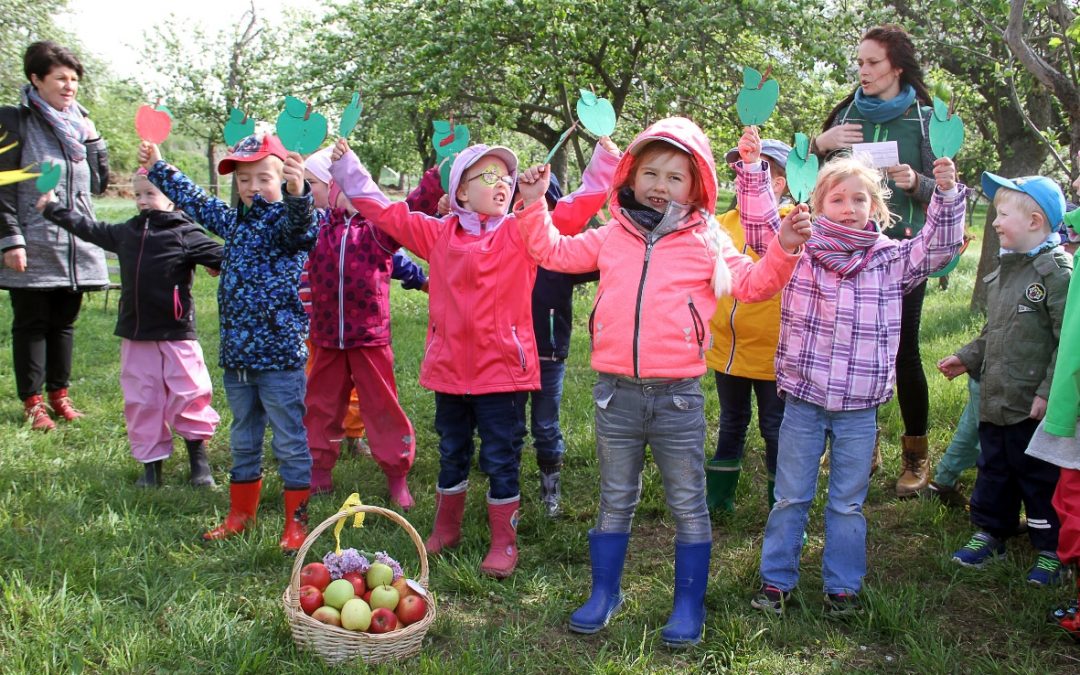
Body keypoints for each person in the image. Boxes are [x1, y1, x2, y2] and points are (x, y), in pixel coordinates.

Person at [517, 119, 809, 647]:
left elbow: (754, 283)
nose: (660, 184)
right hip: (615, 395)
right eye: (650, 172)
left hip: (677, 398)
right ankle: (605, 592)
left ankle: (687, 603)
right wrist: (534, 204)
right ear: (629, 176)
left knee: (687, 503)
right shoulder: (612, 234)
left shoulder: (708, 239)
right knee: (615, 498)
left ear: (698, 186)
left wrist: (784, 248)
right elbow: (553, 253)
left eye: (676, 176)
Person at [751, 152, 964, 617]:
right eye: (838, 198)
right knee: (791, 495)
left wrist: (945, 195)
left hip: (858, 408)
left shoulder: (890, 260)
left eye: (860, 198)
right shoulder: (798, 251)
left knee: (847, 503)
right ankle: (775, 581)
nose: (849, 206)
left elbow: (939, 249)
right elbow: (759, 227)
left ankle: (842, 586)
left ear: (876, 206)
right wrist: (752, 172)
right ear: (819, 203)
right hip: (804, 399)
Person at [330, 137, 550, 579]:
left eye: (506, 177)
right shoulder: (437, 234)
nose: (502, 183)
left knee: (502, 456)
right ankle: (446, 529)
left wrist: (596, 167)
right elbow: (386, 211)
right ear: (461, 193)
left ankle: (503, 541)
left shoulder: (520, 231)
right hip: (451, 374)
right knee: (452, 451)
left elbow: (575, 214)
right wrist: (349, 167)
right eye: (487, 176)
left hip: (503, 376)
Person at [138, 131, 318, 554]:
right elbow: (198, 202)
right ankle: (241, 515)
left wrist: (297, 191)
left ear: (280, 178)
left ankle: (298, 523)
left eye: (263, 178)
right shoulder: (234, 222)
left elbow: (301, 224)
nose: (253, 187)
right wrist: (160, 165)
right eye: (243, 180)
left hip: (280, 359)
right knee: (243, 437)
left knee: (289, 440)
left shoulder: (286, 224)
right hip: (238, 359)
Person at [35, 169, 222, 487]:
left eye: (151, 193)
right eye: (138, 194)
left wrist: (213, 263)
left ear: (172, 197)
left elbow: (224, 254)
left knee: (189, 394)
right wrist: (52, 207)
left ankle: (198, 463)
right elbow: (88, 228)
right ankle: (151, 466)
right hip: (136, 335)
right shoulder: (126, 232)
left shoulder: (185, 232)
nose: (143, 200)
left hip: (176, 334)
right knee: (142, 399)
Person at [813, 24, 939, 496]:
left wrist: (916, 183)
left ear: (897, 67)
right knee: (850, 348)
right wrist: (820, 143)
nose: (862, 71)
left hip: (902, 252)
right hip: (845, 252)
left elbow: (948, 192)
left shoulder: (926, 120)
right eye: (859, 63)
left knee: (903, 351)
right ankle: (863, 445)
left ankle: (916, 456)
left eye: (872, 63)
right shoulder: (845, 114)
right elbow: (807, 179)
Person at [940, 173, 1071, 586]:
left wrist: (1050, 392)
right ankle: (992, 531)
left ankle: (1049, 547)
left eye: (1001, 214)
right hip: (996, 397)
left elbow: (1068, 341)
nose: (994, 223)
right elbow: (993, 332)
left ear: (1035, 220)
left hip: (1031, 403)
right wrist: (967, 357)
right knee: (993, 467)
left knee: (1037, 476)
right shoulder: (1005, 270)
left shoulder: (1056, 273)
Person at [301, 148, 440, 508]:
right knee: (320, 406)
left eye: (355, 185)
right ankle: (319, 472)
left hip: (369, 338)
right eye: (340, 185)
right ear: (330, 191)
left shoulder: (379, 232)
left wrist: (437, 176)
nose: (350, 193)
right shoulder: (315, 228)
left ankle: (397, 475)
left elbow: (412, 208)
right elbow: (289, 211)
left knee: (381, 407)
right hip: (327, 338)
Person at [0, 41, 110, 430]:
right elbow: (3, 186)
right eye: (60, 78)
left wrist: (95, 141)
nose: (69, 86)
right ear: (36, 79)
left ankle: (59, 396)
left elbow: (98, 184)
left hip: (75, 243)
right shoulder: (14, 123)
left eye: (74, 79)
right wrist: (11, 238)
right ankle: (32, 403)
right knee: (31, 323)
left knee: (64, 323)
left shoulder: (80, 124)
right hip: (33, 240)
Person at [526, 138, 619, 517]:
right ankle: (500, 477)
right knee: (511, 423)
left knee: (545, 424)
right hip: (509, 350)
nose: (540, 214)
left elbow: (601, 255)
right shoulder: (510, 243)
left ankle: (550, 489)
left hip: (549, 351)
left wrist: (607, 159)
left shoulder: (563, 252)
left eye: (548, 205)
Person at [705, 138, 794, 515]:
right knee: (731, 421)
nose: (744, 178)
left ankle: (781, 504)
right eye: (739, 170)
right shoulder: (722, 224)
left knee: (775, 428)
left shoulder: (790, 224)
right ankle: (718, 500)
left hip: (772, 354)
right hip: (726, 350)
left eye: (756, 171)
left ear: (780, 183)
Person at [1027, 164, 1080, 639]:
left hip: (1071, 413)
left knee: (1072, 503)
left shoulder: (1062, 269)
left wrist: (1053, 401)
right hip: (1068, 410)